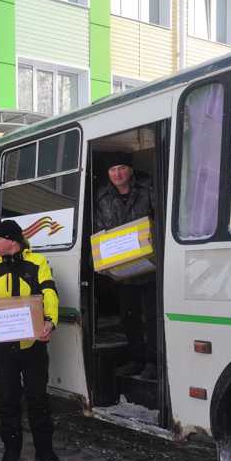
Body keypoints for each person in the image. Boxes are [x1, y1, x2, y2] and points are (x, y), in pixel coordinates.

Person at [0, 220, 60, 461]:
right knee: (7, 398)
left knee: (37, 398)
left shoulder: (37, 262)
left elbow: (49, 293)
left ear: (11, 240)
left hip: (33, 344)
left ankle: (45, 450)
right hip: (2, 346)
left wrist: (50, 322)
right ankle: (11, 450)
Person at [94, 152, 157, 381]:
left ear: (130, 169)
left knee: (152, 318)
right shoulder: (102, 197)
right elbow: (99, 232)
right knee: (129, 317)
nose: (117, 174)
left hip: (151, 268)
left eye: (121, 168)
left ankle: (153, 362)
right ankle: (137, 359)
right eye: (112, 170)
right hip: (123, 271)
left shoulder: (148, 188)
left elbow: (159, 220)